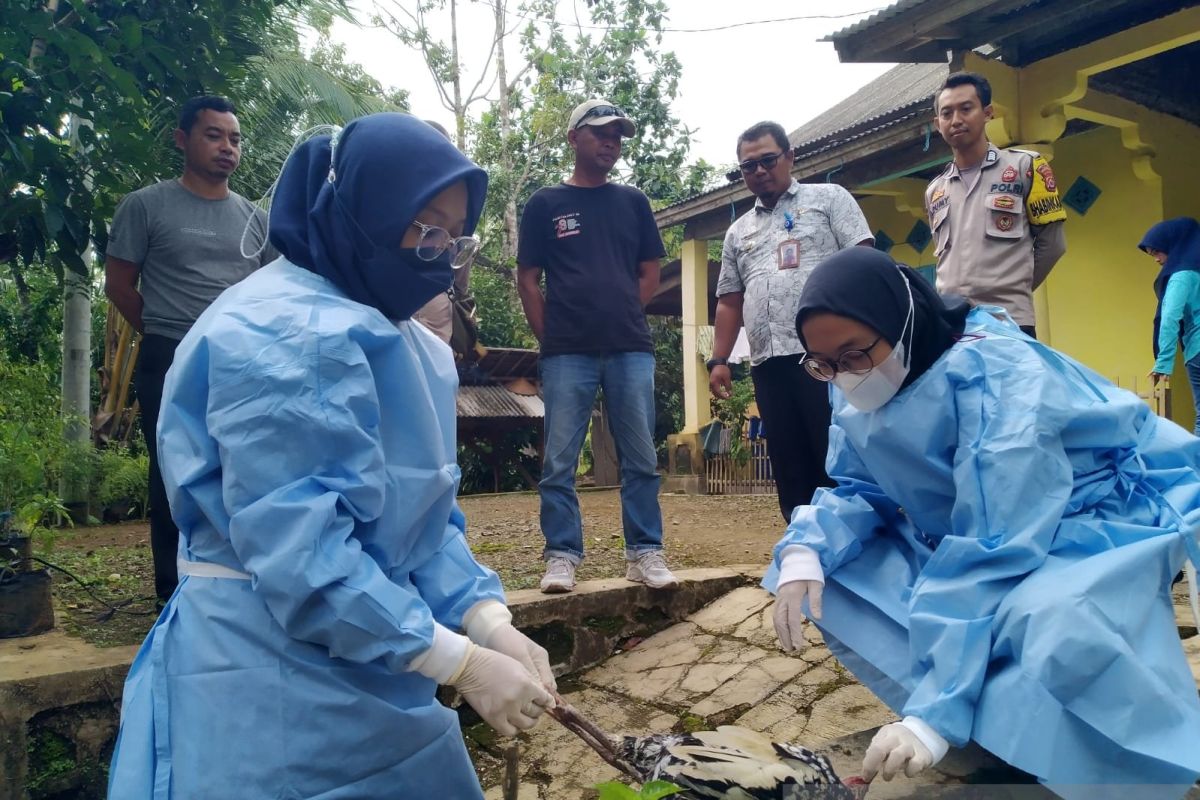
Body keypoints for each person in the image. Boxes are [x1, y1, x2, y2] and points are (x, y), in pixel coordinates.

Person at [107, 113, 556, 799]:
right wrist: (459, 663)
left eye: (454, 238)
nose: (436, 254)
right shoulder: (281, 334)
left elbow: (419, 523)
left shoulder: (409, 342)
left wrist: (485, 621)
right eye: (423, 228)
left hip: (377, 650)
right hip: (263, 664)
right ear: (362, 209)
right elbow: (305, 560)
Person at [765, 247, 1200, 797]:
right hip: (971, 528)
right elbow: (862, 486)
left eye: (853, 355)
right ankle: (993, 725)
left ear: (901, 323)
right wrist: (807, 548)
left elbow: (995, 540)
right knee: (834, 583)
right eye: (822, 363)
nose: (841, 376)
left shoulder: (995, 374)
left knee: (1043, 616)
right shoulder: (853, 378)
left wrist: (935, 712)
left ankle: (1118, 772)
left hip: (1085, 516)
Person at [103, 95, 276, 603]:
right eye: (214, 135)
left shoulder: (254, 219)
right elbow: (119, 284)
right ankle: (173, 591)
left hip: (242, 360)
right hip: (169, 356)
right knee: (173, 471)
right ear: (182, 139)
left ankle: (243, 584)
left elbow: (271, 290)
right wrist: (165, 329)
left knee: (244, 466)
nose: (227, 147)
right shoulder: (146, 205)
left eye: (235, 138)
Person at [516, 98, 676, 594]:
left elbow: (649, 271)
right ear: (574, 138)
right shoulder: (545, 204)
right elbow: (528, 279)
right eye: (602, 132)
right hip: (567, 354)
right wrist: (554, 335)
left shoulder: (632, 202)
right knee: (559, 460)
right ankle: (562, 555)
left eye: (619, 135)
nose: (612, 141)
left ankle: (644, 552)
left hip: (630, 347)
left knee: (640, 457)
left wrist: (625, 308)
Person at [709, 120, 873, 522]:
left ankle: (855, 540)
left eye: (768, 160)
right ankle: (804, 543)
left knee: (836, 452)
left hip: (829, 359)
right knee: (788, 459)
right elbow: (730, 301)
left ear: (789, 157)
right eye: (749, 166)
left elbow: (865, 260)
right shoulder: (737, 232)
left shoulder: (829, 199)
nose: (760, 171)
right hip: (769, 363)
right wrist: (719, 360)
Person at [925, 71, 1067, 338]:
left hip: (1008, 322)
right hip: (953, 328)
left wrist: (1012, 288)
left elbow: (1053, 245)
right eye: (947, 113)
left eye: (966, 109)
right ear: (937, 123)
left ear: (987, 112)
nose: (956, 120)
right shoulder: (935, 190)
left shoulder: (1026, 166)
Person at [1141, 217, 1200, 435]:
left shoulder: (1181, 276)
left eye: (1157, 252)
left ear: (1174, 245)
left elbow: (1169, 318)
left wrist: (1163, 362)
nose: (1156, 259)